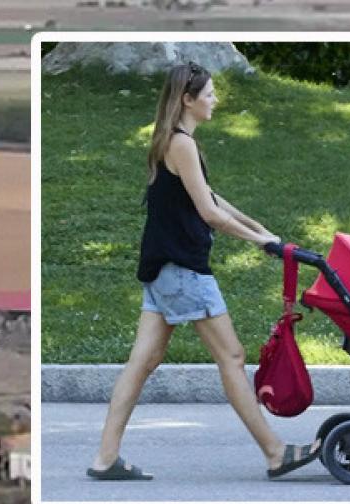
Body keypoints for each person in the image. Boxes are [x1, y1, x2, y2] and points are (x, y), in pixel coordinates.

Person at [88, 61, 316, 481]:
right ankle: (275, 452)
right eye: (208, 94)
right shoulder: (181, 145)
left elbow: (211, 196)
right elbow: (209, 213)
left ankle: (105, 458)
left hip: (162, 271)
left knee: (142, 361)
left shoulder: (169, 140)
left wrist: (262, 231)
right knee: (231, 356)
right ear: (188, 100)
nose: (215, 100)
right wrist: (257, 241)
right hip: (182, 272)